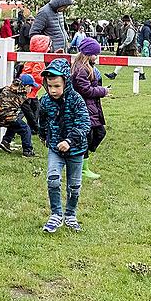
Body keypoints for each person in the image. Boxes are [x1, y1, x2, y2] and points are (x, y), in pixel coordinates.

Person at [37, 59, 91, 233]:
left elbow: (84, 124)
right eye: (50, 86)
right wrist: (43, 134)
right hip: (55, 148)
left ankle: (70, 215)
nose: (53, 90)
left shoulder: (76, 100)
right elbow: (43, 119)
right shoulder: (45, 101)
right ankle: (56, 214)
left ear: (66, 83)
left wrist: (69, 141)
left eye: (57, 86)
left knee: (74, 186)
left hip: (76, 150)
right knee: (53, 179)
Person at [70, 38, 109, 181]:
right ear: (88, 53)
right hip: (84, 107)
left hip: (92, 106)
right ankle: (82, 166)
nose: (97, 57)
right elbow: (85, 90)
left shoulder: (89, 67)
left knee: (99, 133)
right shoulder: (81, 69)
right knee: (88, 137)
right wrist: (103, 91)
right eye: (95, 54)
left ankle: (81, 157)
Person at [0, 73, 39, 158]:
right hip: (8, 117)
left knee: (15, 124)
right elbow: (28, 114)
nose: (31, 89)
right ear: (26, 86)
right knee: (25, 129)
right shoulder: (21, 96)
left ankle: (6, 142)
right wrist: (36, 128)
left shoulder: (6, 88)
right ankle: (27, 151)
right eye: (31, 87)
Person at [21, 34, 50, 132]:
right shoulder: (39, 61)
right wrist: (44, 79)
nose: (49, 48)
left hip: (31, 89)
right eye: (48, 46)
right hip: (31, 90)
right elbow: (36, 75)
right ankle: (30, 126)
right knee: (27, 110)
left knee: (35, 108)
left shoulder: (31, 58)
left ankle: (33, 127)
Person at [106, 15, 137, 80]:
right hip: (127, 48)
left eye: (124, 21)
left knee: (136, 61)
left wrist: (122, 45)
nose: (123, 23)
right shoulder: (125, 28)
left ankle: (142, 74)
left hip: (131, 48)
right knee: (122, 61)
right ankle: (114, 74)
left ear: (127, 22)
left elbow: (129, 39)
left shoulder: (130, 29)